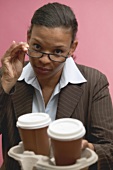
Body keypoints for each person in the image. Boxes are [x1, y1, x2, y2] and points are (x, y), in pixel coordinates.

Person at [0, 2, 113, 170]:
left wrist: (88, 151)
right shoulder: (8, 75)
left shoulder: (94, 82)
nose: (44, 60)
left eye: (58, 51)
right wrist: (6, 85)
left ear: (71, 48)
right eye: (37, 47)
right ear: (28, 37)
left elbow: (108, 151)